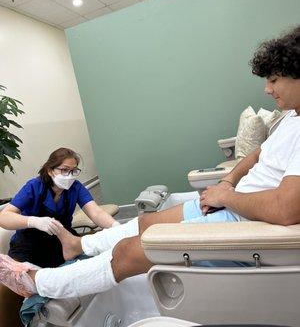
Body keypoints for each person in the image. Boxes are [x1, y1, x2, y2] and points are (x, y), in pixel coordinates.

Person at [0, 25, 299, 300]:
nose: (267, 89)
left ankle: (39, 282)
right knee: (145, 222)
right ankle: (77, 246)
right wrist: (227, 183)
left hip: (247, 220)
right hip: (233, 202)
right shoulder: (290, 118)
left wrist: (228, 197)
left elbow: (285, 209)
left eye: (273, 79)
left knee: (127, 251)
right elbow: (258, 154)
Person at [0, 147, 119, 268]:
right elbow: (4, 217)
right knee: (17, 280)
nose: (69, 176)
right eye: (64, 170)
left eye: (74, 171)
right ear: (50, 170)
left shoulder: (75, 187)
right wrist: (33, 221)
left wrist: (116, 227)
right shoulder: (34, 186)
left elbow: (96, 212)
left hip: (62, 241)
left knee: (95, 265)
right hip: (28, 245)